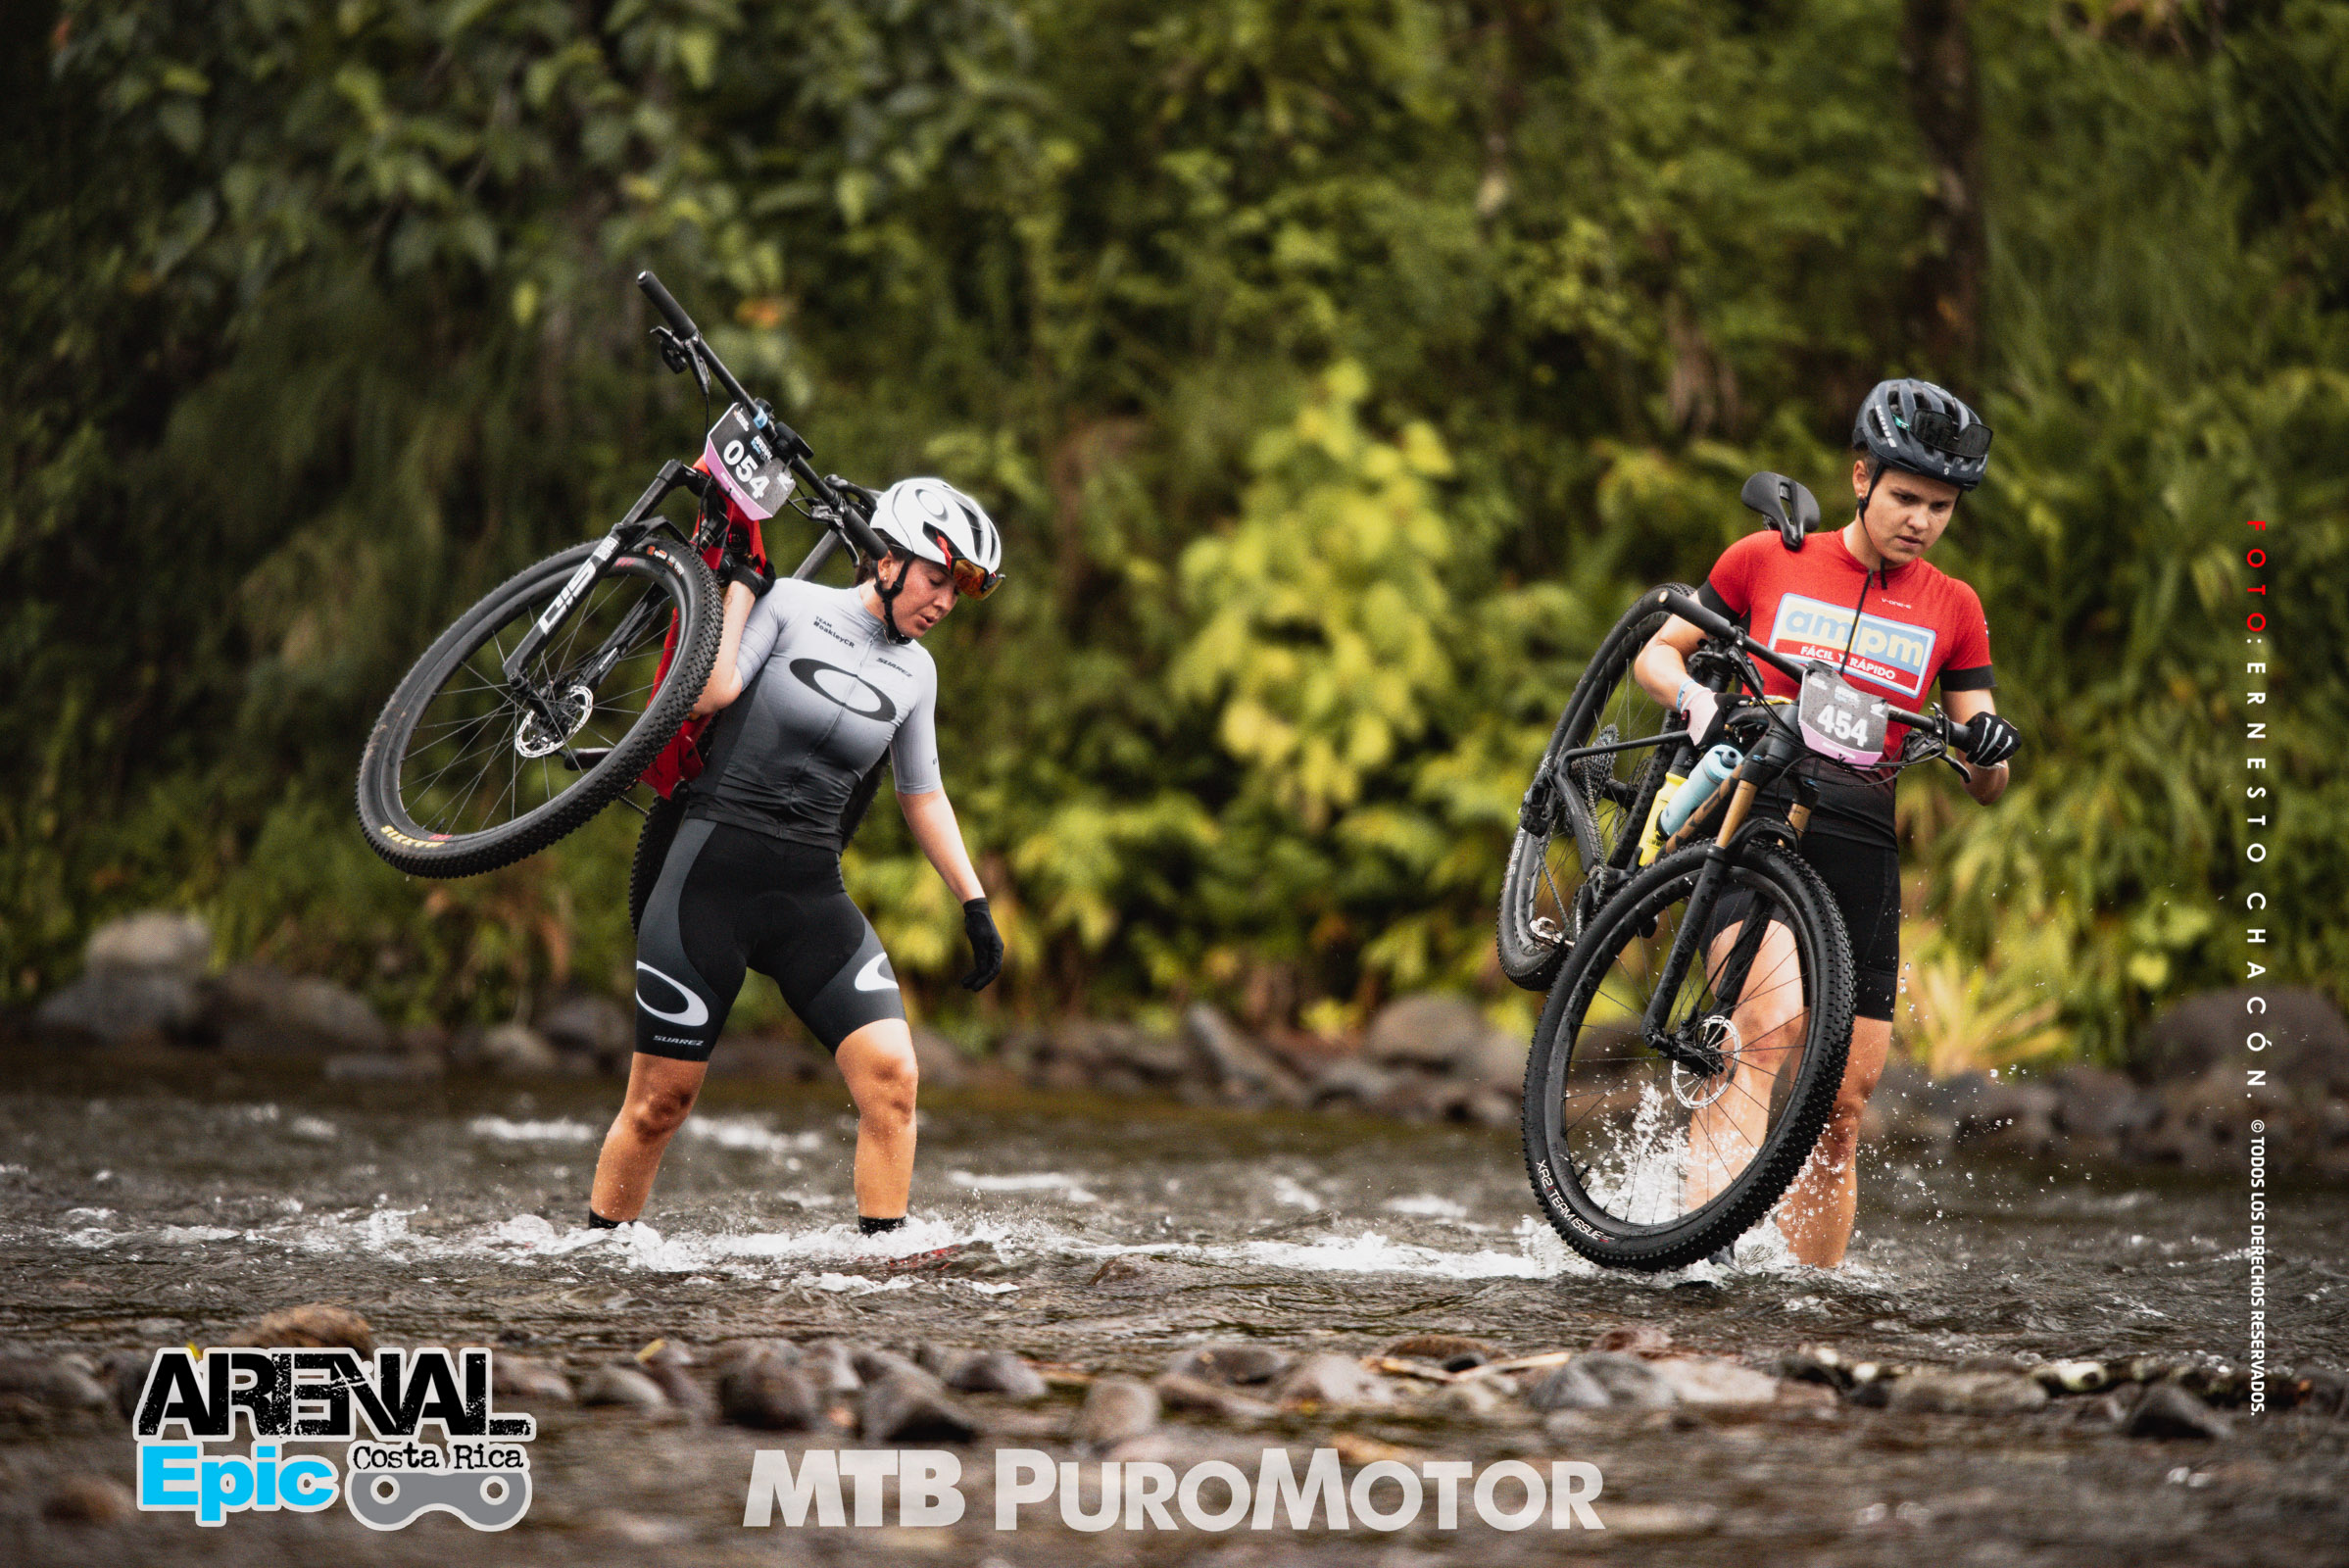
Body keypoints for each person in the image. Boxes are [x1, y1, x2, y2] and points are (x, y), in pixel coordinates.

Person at [1632, 378, 2023, 1268]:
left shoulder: (1955, 607)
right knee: (1761, 1031)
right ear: (1859, 478)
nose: (1920, 521)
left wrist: (1990, 750)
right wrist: (1695, 701)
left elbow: (1984, 778)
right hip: (1756, 809)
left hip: (1862, 836)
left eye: (1940, 507)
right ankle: (1701, 1267)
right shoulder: (1764, 558)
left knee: (1843, 1109)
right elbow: (1659, 652)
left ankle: (1812, 1309)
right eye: (1904, 498)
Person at [586, 477, 1008, 1239]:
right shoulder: (793, 605)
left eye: (960, 591)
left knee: (894, 1081)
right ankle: (599, 1259)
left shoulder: (918, 673)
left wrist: (974, 903)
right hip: (709, 877)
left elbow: (922, 795)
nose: (945, 602)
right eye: (937, 579)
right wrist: (743, 591)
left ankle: (882, 1270)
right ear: (888, 560)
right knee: (658, 1104)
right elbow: (708, 693)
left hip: (810, 891)